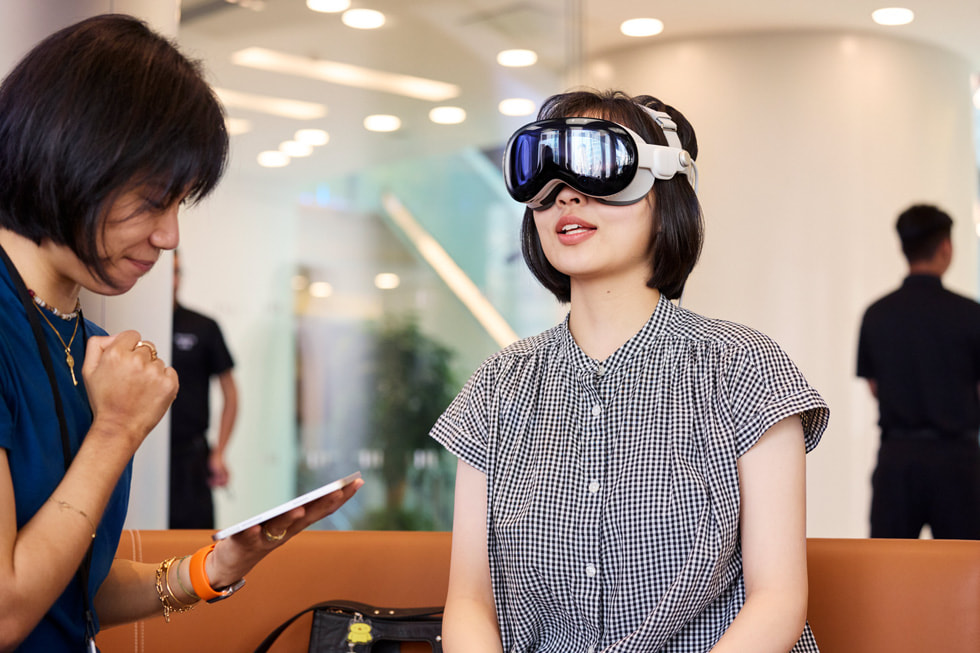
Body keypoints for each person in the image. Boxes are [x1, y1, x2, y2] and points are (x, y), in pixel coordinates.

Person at [0, 14, 361, 651]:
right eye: (151, 202)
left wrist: (216, 567)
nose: (169, 237)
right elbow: (6, 612)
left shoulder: (72, 336)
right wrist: (115, 431)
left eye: (179, 205)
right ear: (71, 160)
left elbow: (70, 590)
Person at [430, 90, 829, 652]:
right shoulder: (497, 385)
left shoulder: (742, 366)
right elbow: (470, 604)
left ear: (665, 195)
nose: (565, 194)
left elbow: (778, 600)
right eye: (542, 178)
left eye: (596, 165)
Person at [856, 204, 980, 540]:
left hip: (898, 461)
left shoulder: (877, 315)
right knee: (965, 575)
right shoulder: (971, 315)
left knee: (889, 570)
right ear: (946, 247)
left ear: (903, 248)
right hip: (959, 462)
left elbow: (875, 386)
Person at [170, 250, 238, 529]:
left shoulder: (203, 326)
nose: (173, 281)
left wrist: (219, 452)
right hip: (141, 456)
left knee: (195, 545)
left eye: (177, 272)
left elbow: (231, 394)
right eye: (166, 274)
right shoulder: (130, 326)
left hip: (191, 458)